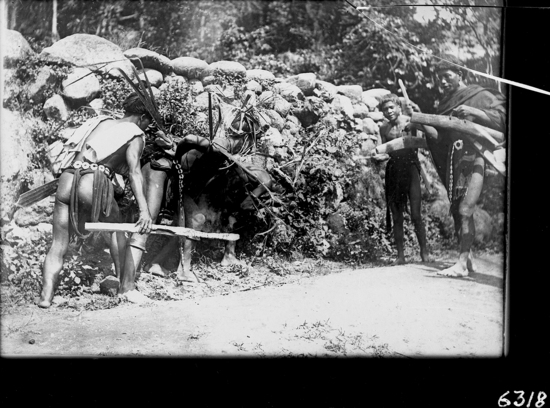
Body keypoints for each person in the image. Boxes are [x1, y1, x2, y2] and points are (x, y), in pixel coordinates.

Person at [38, 93, 154, 308]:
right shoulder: (135, 134)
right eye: (149, 122)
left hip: (68, 177)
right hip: (93, 181)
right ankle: (127, 288)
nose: (148, 127)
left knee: (58, 242)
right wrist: (145, 211)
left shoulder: (103, 122)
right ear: (143, 117)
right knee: (117, 230)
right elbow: (135, 173)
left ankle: (45, 297)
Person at [421, 55, 506, 277]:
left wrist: (476, 113)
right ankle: (467, 260)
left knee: (465, 208)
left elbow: (503, 119)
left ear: (461, 74)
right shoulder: (445, 104)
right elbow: (440, 138)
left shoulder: (479, 95)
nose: (443, 82)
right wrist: (423, 123)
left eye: (447, 77)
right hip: (455, 160)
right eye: (439, 79)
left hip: (478, 156)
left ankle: (460, 264)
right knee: (459, 211)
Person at [373, 93, 431, 265]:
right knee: (396, 215)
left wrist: (417, 122)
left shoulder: (410, 122)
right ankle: (400, 255)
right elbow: (384, 151)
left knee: (415, 214)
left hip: (411, 168)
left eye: (392, 107)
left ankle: (424, 253)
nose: (389, 111)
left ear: (399, 107)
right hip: (394, 170)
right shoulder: (384, 128)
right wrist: (379, 157)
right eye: (385, 109)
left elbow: (422, 141)